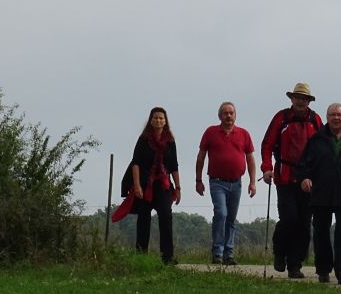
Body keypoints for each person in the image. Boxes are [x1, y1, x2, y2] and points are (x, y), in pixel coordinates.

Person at [297, 103, 341, 285]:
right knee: (321, 231)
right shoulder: (316, 139)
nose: (336, 118)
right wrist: (305, 178)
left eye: (339, 115)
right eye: (332, 115)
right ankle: (323, 269)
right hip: (321, 192)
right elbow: (304, 164)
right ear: (327, 118)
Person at [260, 82, 323, 279]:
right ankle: (280, 253)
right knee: (289, 218)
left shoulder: (315, 120)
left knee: (304, 223)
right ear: (292, 99)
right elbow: (267, 144)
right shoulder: (281, 118)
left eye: (304, 98)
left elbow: (323, 147)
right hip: (285, 175)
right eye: (297, 97)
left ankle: (295, 264)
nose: (300, 101)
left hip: (308, 179)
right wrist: (267, 168)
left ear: (308, 101)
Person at [195, 101, 257, 265]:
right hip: (217, 182)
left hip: (236, 183)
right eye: (225, 113)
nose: (228, 116)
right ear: (219, 116)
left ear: (235, 115)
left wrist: (252, 182)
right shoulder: (211, 132)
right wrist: (198, 180)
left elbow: (250, 159)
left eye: (231, 113)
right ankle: (217, 252)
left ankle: (228, 254)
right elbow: (201, 157)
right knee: (221, 213)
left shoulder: (244, 134)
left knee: (231, 218)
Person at [120, 106, 182, 264]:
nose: (158, 120)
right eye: (155, 118)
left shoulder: (170, 141)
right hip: (144, 185)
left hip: (163, 185)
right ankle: (141, 257)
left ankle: (167, 258)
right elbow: (136, 163)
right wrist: (137, 185)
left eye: (161, 118)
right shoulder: (144, 139)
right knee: (143, 219)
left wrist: (178, 188)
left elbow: (174, 166)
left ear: (165, 121)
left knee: (166, 216)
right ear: (151, 120)